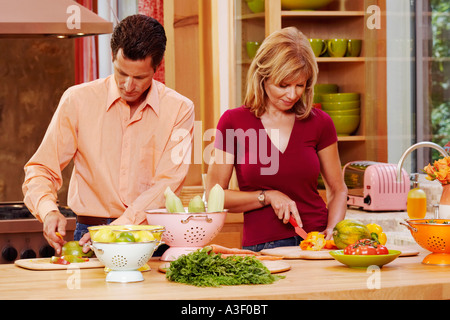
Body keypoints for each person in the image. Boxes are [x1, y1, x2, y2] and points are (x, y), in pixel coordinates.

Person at [22, 14, 195, 254]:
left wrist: (121, 227)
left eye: (140, 77)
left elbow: (168, 184)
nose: (128, 85)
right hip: (90, 235)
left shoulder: (179, 109)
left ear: (157, 66)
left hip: (150, 238)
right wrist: (49, 210)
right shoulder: (78, 100)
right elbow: (42, 168)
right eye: (121, 73)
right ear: (112, 57)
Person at [206, 27, 347, 251]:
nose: (292, 95)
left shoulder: (321, 123)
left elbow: (338, 189)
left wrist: (333, 230)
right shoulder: (233, 122)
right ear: (263, 77)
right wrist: (267, 197)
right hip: (262, 248)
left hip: (315, 242)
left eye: (300, 85)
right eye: (283, 85)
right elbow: (215, 197)